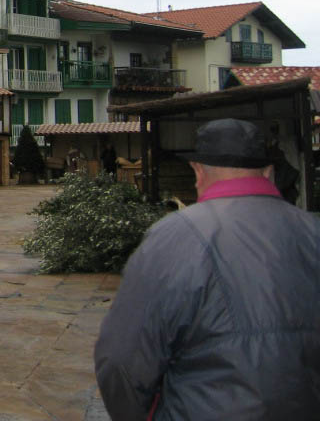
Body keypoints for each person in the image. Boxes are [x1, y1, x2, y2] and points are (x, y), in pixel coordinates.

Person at [94, 118, 320, 420]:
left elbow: (121, 362)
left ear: (198, 171)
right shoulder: (313, 231)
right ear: (269, 172)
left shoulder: (174, 235)